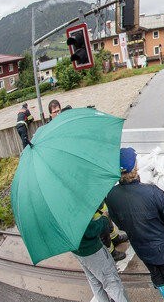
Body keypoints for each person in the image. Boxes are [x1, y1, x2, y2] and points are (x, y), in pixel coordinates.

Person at [106, 147, 164, 302]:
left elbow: (119, 223)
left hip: (139, 244)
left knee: (154, 271)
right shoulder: (152, 192)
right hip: (162, 245)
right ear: (134, 167)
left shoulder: (111, 195)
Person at [47, 99, 127, 260]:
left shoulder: (65, 127)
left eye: (59, 110)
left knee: (104, 208)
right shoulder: (51, 135)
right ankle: (110, 251)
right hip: (77, 184)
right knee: (96, 216)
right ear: (50, 114)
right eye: (55, 112)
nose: (58, 113)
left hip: (85, 176)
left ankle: (114, 236)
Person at [72, 203, 152, 302]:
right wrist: (103, 219)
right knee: (111, 282)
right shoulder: (70, 208)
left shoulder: (54, 211)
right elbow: (90, 230)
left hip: (79, 252)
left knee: (95, 281)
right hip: (93, 251)